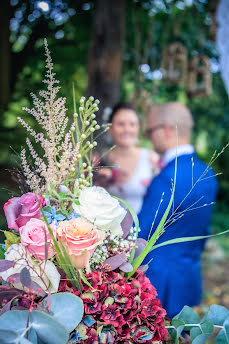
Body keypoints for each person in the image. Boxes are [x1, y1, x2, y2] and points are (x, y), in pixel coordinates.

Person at [138, 102, 218, 318]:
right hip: (189, 278)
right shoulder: (208, 173)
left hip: (158, 284)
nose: (149, 136)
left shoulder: (167, 178)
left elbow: (141, 233)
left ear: (165, 130)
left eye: (150, 130)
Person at [96, 103, 159, 214]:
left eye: (132, 124)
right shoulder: (100, 160)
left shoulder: (151, 159)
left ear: (138, 127)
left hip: (146, 227)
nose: (127, 129)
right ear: (110, 128)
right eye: (121, 124)